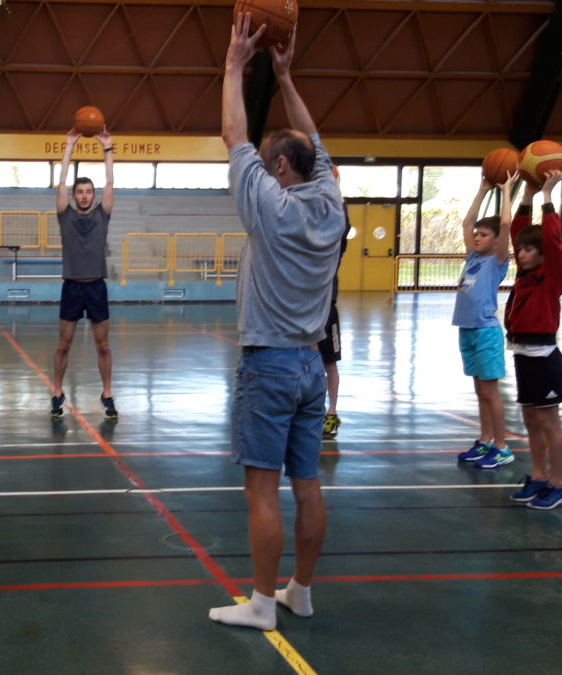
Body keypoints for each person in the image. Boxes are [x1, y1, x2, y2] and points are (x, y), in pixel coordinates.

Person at [208, 16, 346, 631]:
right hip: (312, 364)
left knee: (262, 491)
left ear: (281, 168)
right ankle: (301, 591)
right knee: (307, 484)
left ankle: (263, 603)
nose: (261, 170)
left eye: (268, 165)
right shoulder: (332, 201)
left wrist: (235, 64)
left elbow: (233, 134)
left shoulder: (271, 206)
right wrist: (286, 76)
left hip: (268, 363)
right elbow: (314, 142)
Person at [504, 170, 562, 510]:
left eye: (529, 250)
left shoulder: (552, 275)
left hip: (544, 356)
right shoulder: (524, 274)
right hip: (522, 352)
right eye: (521, 250)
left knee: (548, 421)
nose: (521, 254)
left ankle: (558, 481)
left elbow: (554, 242)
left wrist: (548, 198)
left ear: (542, 254)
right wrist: (526, 194)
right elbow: (517, 232)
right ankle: (539, 476)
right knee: (530, 419)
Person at [51, 126, 117, 419]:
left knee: (103, 344)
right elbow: (61, 182)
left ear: (94, 195)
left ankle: (107, 393)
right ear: (74, 196)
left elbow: (110, 182)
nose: (85, 195)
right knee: (63, 344)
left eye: (89, 191)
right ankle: (57, 392)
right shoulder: (65, 215)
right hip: (72, 287)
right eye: (80, 191)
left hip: (96, 288)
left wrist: (107, 148)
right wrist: (69, 145)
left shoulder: (103, 214)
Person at [453, 173, 517, 467]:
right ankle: (485, 440)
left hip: (486, 331)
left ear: (496, 242)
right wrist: (481, 190)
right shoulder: (472, 257)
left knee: (491, 393)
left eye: (483, 235)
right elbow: (467, 223)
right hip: (467, 329)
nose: (477, 237)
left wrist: (505, 191)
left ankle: (502, 447)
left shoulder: (497, 260)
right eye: (477, 235)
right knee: (480, 391)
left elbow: (505, 225)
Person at [319, 199, 350, 440]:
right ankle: (309, 412)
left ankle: (331, 413)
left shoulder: (333, 249)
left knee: (330, 363)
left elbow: (343, 228)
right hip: (302, 312)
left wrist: (340, 204)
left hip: (326, 311)